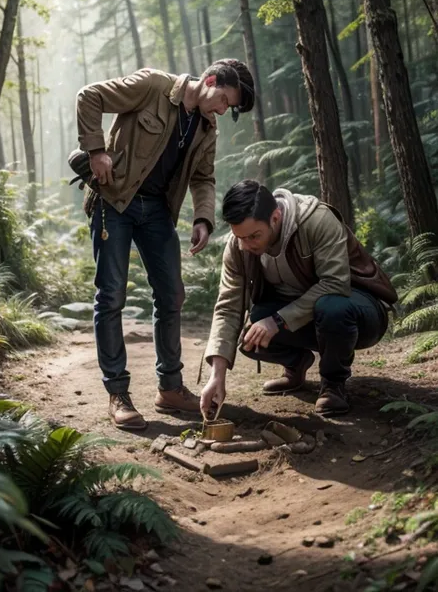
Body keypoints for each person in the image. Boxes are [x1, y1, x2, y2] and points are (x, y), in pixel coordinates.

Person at [75, 60, 255, 430]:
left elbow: (204, 177)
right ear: (208, 81)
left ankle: (170, 388)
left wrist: (203, 219)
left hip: (158, 211)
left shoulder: (207, 126)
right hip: (115, 201)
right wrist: (96, 151)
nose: (222, 109)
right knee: (111, 296)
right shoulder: (154, 85)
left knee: (172, 295)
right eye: (222, 99)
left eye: (228, 107)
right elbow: (89, 96)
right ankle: (118, 394)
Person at [200, 180, 397, 418]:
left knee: (332, 306)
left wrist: (277, 321)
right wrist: (217, 377)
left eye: (254, 236)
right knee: (251, 333)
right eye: (239, 237)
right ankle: (296, 365)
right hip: (305, 318)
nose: (245, 245)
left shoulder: (317, 220)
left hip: (359, 311)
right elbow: (227, 308)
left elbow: (335, 283)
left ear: (275, 217)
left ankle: (333, 384)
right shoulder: (238, 246)